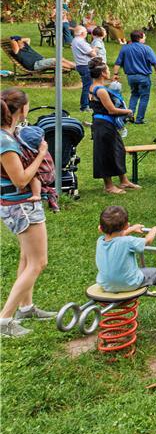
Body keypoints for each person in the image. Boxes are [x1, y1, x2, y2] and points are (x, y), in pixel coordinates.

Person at [0, 89, 55, 338]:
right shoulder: (6, 143)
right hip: (20, 204)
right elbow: (20, 179)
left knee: (26, 257)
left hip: (17, 204)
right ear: (21, 110)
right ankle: (5, 319)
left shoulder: (9, 136)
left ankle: (26, 308)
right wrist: (42, 154)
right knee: (38, 262)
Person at [95, 206, 156, 301]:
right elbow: (147, 241)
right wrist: (154, 230)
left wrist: (131, 229)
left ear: (100, 228)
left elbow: (116, 237)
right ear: (127, 225)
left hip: (106, 284)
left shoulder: (100, 241)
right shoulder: (128, 241)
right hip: (128, 283)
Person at [89, 58, 137, 195]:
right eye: (108, 70)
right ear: (103, 74)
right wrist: (128, 111)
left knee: (118, 150)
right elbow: (111, 110)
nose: (110, 71)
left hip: (104, 124)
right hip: (104, 125)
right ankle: (109, 186)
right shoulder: (101, 91)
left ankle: (124, 180)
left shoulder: (93, 87)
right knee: (106, 153)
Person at [112, 29, 156, 124]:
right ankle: (139, 119)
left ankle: (130, 117)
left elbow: (118, 63)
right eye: (144, 36)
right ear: (140, 38)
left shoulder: (125, 48)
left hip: (131, 77)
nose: (145, 38)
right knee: (144, 97)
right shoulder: (146, 48)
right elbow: (155, 62)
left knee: (134, 95)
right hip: (143, 77)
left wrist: (115, 74)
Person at [7, 36, 75, 72]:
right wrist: (14, 39)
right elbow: (13, 42)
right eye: (20, 42)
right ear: (16, 43)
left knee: (60, 61)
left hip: (41, 61)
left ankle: (75, 67)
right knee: (58, 59)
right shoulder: (17, 51)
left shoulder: (26, 46)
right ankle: (77, 66)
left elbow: (28, 39)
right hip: (35, 65)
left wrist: (20, 39)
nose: (22, 43)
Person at [71, 25, 95, 112]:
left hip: (81, 65)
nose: (86, 33)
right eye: (85, 32)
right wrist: (95, 50)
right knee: (87, 87)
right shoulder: (80, 42)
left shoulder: (75, 40)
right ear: (82, 33)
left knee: (87, 85)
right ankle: (84, 106)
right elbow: (92, 54)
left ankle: (87, 104)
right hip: (85, 65)